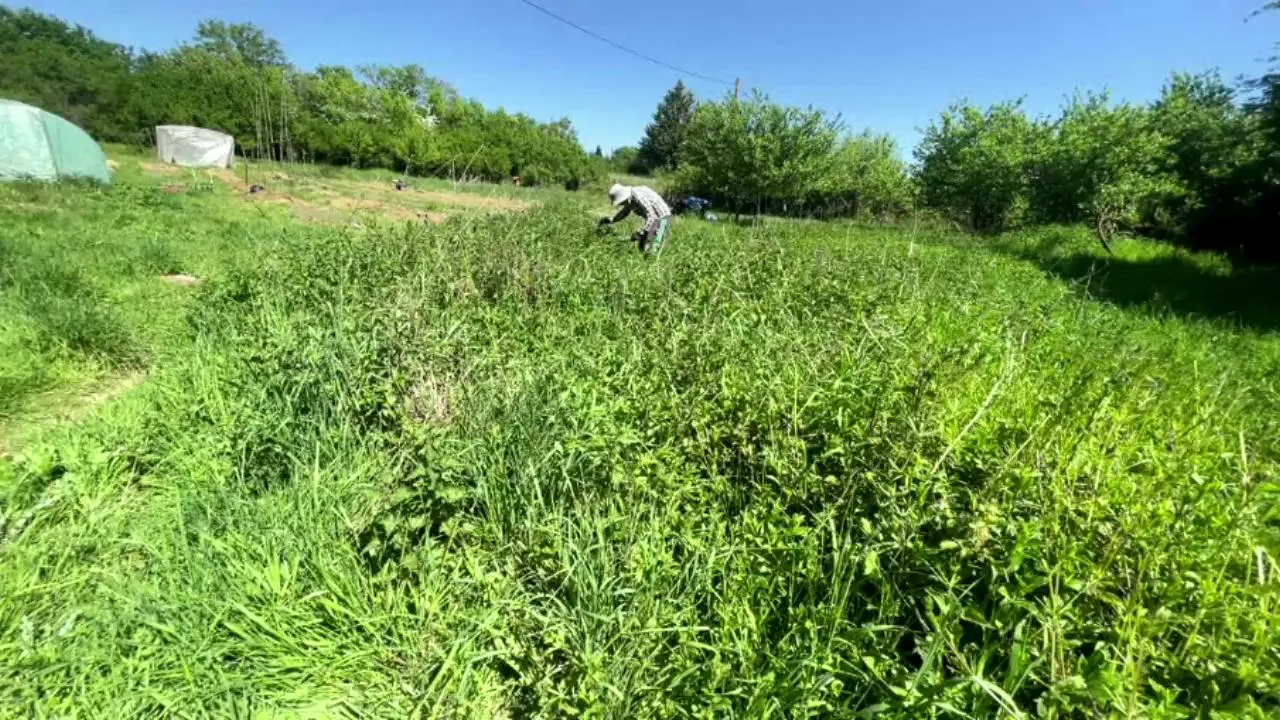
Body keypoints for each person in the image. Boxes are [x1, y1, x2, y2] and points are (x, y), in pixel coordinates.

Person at [598, 182, 673, 256]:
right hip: (655, 220)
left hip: (663, 219)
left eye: (621, 202)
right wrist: (611, 220)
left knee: (652, 248)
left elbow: (652, 216)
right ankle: (644, 260)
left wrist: (640, 233)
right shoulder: (630, 199)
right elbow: (624, 212)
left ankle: (651, 260)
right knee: (641, 246)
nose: (621, 204)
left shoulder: (639, 197)